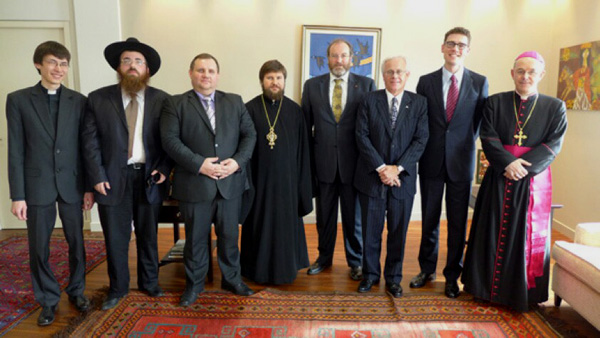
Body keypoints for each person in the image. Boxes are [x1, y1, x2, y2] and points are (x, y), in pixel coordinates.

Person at [462, 51, 568, 312]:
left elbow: (553, 144)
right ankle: (483, 289)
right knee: (491, 229)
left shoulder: (554, 107)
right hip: (499, 175)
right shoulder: (495, 103)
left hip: (531, 181)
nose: (525, 76)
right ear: (512, 74)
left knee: (525, 236)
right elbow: (488, 137)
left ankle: (521, 293)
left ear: (541, 75)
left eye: (531, 72)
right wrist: (508, 163)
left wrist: (522, 168)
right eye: (520, 71)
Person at [6, 41, 94, 326]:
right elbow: (16, 149)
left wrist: (88, 188)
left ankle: (77, 291)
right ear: (38, 65)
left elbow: (84, 148)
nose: (59, 69)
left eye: (64, 63)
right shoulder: (18, 100)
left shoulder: (79, 101)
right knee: (39, 246)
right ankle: (47, 298)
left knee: (77, 243)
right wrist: (17, 195)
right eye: (54, 62)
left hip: (72, 184)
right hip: (37, 186)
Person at [161, 53, 257, 306]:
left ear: (218, 75)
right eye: (200, 70)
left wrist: (236, 162)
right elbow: (170, 141)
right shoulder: (175, 104)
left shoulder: (235, 102)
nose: (206, 75)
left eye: (211, 70)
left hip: (229, 184)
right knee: (195, 239)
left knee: (228, 237)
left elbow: (250, 135)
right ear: (191, 73)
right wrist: (199, 164)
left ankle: (232, 280)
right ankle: (194, 285)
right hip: (194, 184)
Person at [82, 38, 171, 310]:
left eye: (138, 61)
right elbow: (90, 141)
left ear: (147, 70)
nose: (133, 66)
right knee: (116, 238)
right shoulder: (98, 98)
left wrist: (164, 168)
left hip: (149, 178)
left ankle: (150, 283)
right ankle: (118, 288)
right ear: (119, 67)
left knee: (148, 235)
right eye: (127, 60)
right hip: (110, 180)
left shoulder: (163, 100)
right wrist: (96, 176)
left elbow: (171, 140)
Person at [411, 27, 489, 298]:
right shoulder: (425, 81)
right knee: (429, 219)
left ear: (468, 50)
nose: (456, 49)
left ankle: (452, 276)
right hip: (431, 161)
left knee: (457, 223)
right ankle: (426, 270)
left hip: (461, 162)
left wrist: (462, 144)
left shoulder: (479, 82)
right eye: (451, 44)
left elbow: (478, 123)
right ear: (442, 47)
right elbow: (421, 121)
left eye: (461, 45)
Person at [302, 39, 376, 280]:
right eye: (334, 56)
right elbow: (305, 127)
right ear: (327, 59)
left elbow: (372, 127)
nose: (339, 60)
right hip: (322, 163)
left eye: (343, 56)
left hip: (354, 165)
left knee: (353, 217)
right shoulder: (312, 86)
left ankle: (355, 262)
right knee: (325, 217)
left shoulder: (366, 85)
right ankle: (324, 258)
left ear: (351, 59)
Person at [354, 56, 429, 297]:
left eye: (399, 72)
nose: (394, 76)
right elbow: (361, 137)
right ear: (383, 75)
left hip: (402, 181)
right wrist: (382, 168)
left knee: (398, 233)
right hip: (372, 178)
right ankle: (370, 275)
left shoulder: (419, 103)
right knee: (371, 232)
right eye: (389, 72)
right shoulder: (368, 100)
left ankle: (394, 278)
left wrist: (397, 168)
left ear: (407, 75)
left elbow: (421, 140)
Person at [240, 60, 313, 285]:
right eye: (270, 78)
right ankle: (256, 270)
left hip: (287, 185)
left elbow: (303, 152)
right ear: (262, 81)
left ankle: (285, 270)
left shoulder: (294, 111)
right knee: (258, 225)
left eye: (279, 78)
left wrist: (302, 187)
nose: (274, 82)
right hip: (258, 183)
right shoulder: (249, 109)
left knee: (284, 227)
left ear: (284, 81)